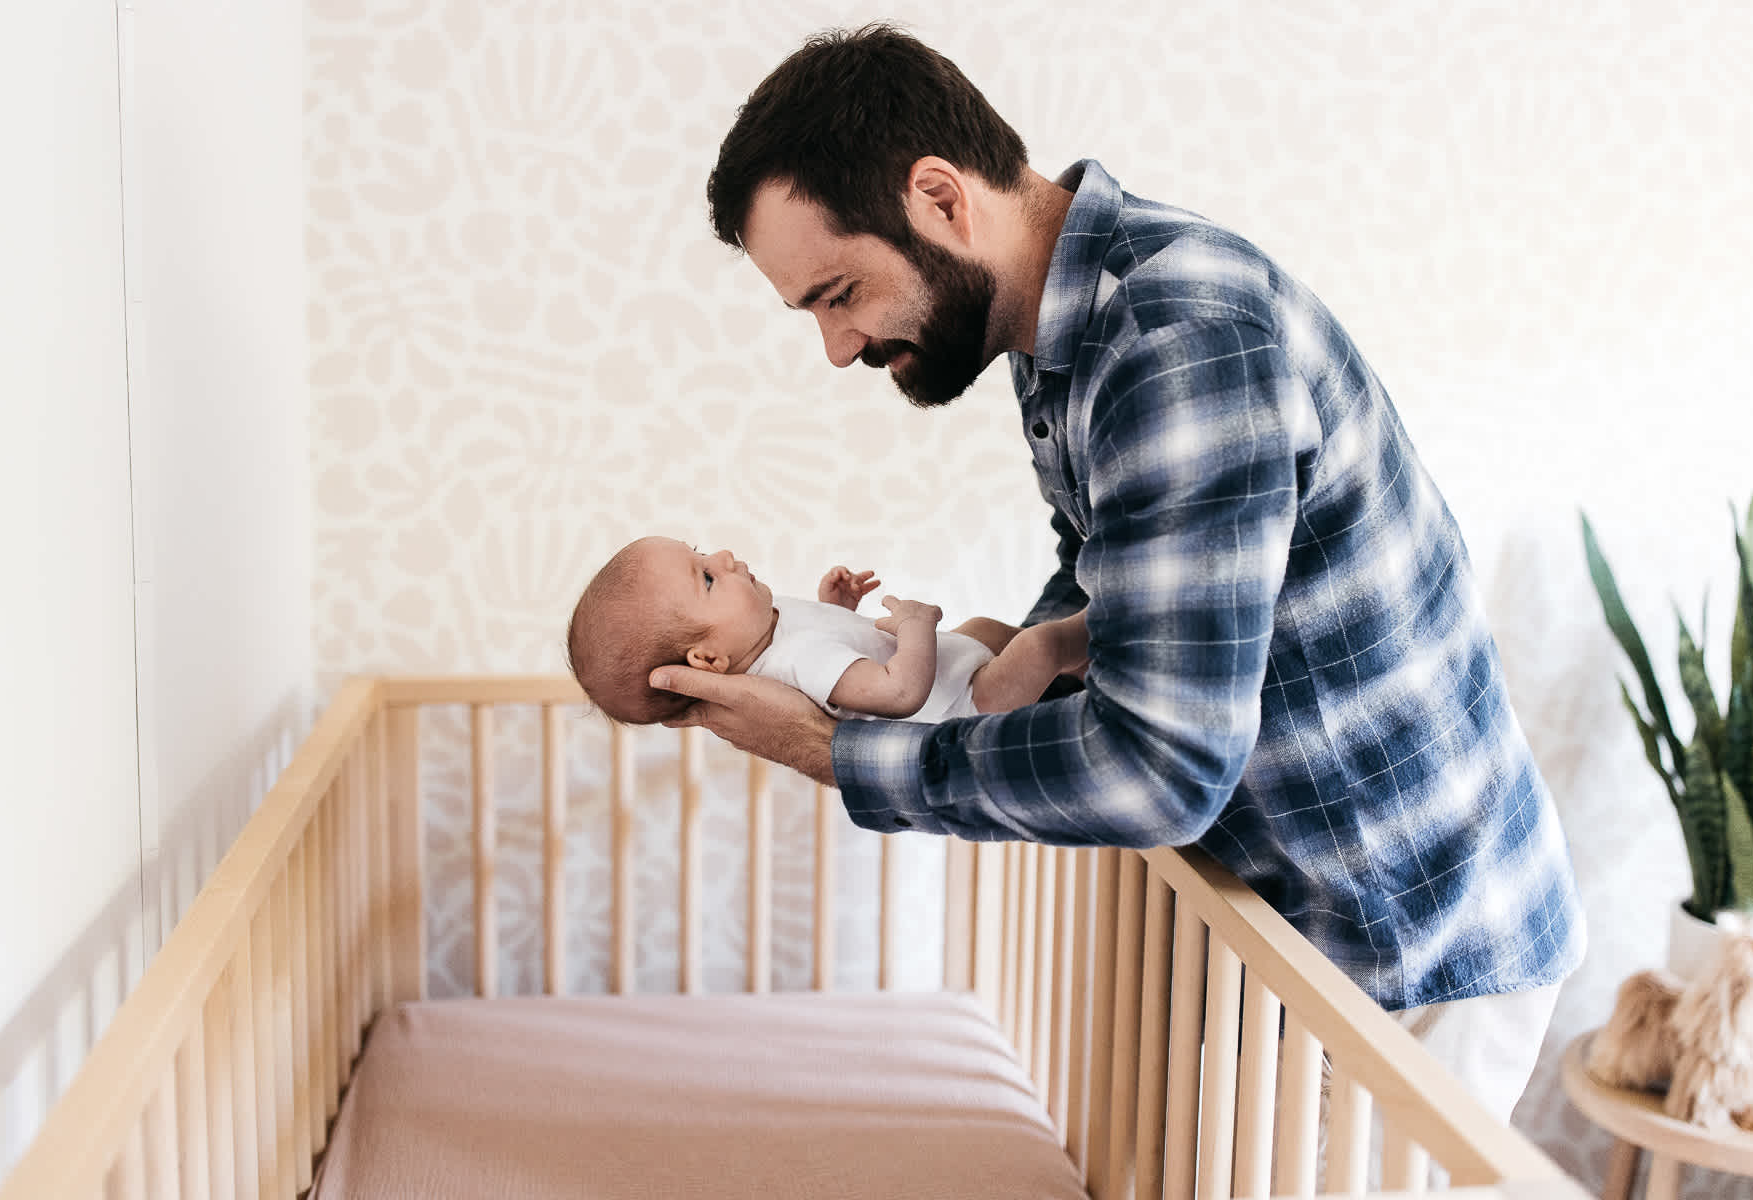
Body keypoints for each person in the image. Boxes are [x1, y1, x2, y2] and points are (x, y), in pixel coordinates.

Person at [653, 23, 1585, 1123]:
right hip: (1305, 915)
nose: (837, 347)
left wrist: (832, 750)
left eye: (839, 293)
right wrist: (1028, 644)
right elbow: (1109, 564)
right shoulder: (1069, 331)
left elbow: (1163, 765)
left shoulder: (1173, 336)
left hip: (1402, 935)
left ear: (940, 198)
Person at [567, 535, 1088, 726]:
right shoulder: (793, 663)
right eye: (705, 576)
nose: (722, 556)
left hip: (963, 673)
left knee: (982, 629)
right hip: (969, 707)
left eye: (701, 548)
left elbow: (837, 655)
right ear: (706, 661)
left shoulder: (770, 633)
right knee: (1041, 644)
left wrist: (836, 609)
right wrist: (917, 627)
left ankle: (1087, 669)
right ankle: (1115, 630)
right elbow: (899, 692)